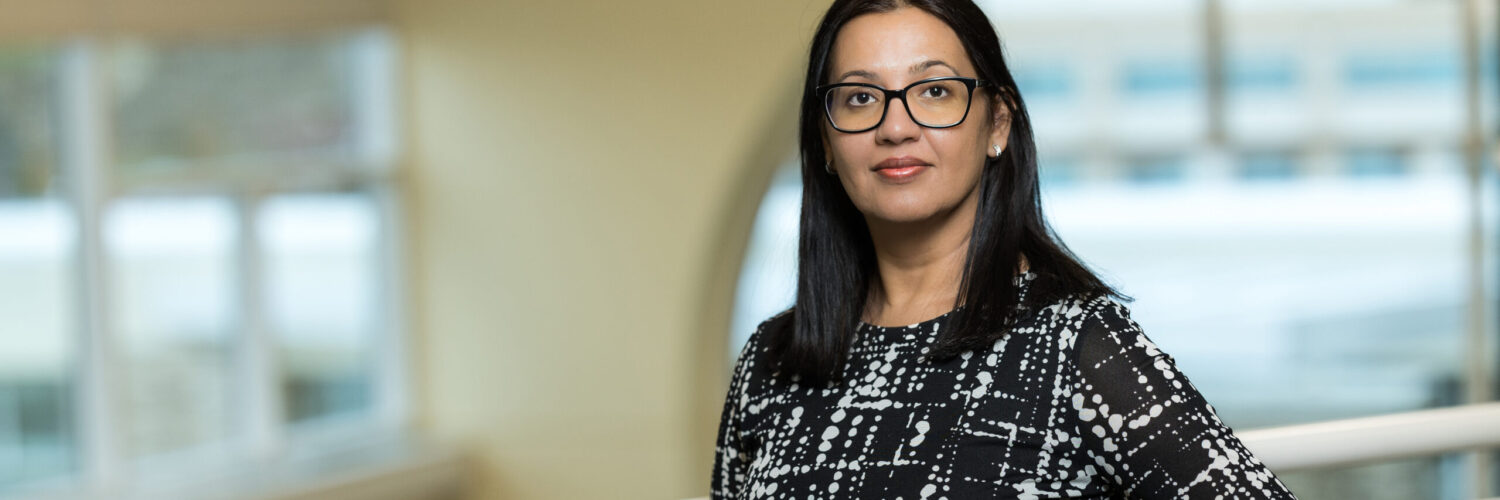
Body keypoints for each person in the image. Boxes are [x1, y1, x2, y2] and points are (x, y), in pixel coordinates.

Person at [710, 0, 1299, 498]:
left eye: (934, 90)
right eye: (861, 98)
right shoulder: (771, 361)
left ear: (997, 124)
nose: (895, 126)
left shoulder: (1074, 345)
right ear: (827, 142)